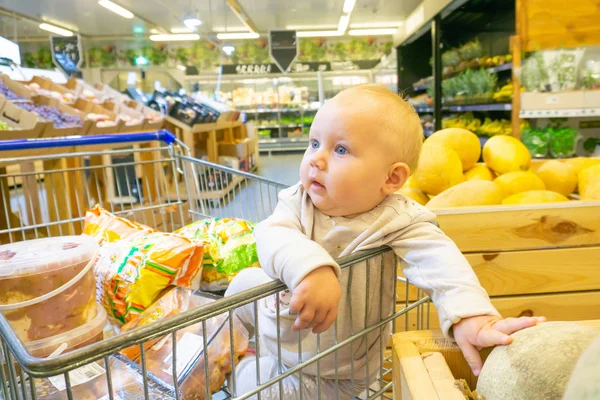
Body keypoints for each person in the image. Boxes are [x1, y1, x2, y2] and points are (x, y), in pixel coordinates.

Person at [225, 84, 545, 399]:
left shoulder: (398, 219)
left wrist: (471, 314)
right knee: (242, 285)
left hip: (332, 372)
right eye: (314, 143)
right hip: (286, 329)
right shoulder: (298, 199)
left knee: (248, 385)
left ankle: (244, 365)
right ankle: (220, 351)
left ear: (391, 178)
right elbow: (271, 234)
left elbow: (440, 261)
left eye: (340, 150)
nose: (316, 160)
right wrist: (311, 269)